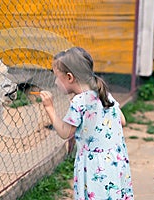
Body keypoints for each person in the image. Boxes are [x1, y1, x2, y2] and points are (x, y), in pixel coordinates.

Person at [39, 47, 134, 199]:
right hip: (115, 162)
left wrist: (49, 108)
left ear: (70, 77)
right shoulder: (103, 93)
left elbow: (65, 132)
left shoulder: (79, 102)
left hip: (95, 168)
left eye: (57, 76)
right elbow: (122, 120)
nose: (55, 82)